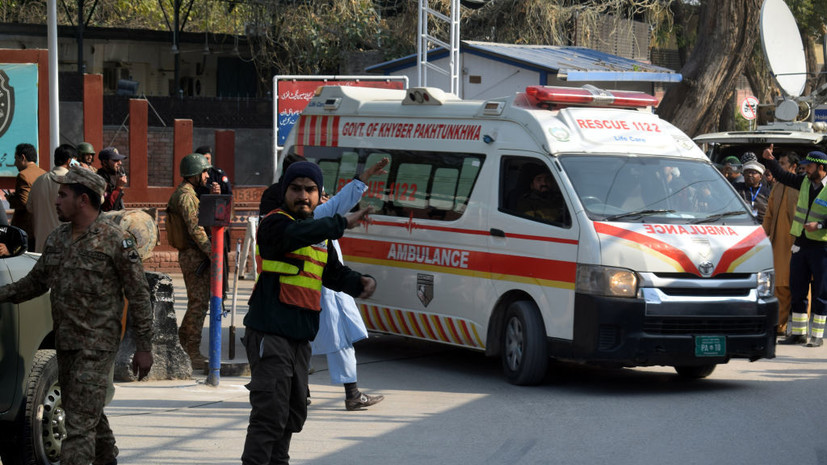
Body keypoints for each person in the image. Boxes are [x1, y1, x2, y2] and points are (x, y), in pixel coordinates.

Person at [0, 165, 153, 465]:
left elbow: (139, 295)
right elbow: (34, 283)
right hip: (66, 343)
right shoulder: (57, 239)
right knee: (88, 415)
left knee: (78, 428)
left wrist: (144, 347)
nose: (57, 200)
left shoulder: (116, 240)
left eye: (63, 194)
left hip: (97, 347)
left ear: (83, 200)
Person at [242, 161, 376, 465]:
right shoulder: (275, 223)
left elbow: (332, 274)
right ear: (285, 191)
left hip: (300, 338)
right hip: (270, 332)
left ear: (319, 195)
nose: (303, 195)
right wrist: (341, 222)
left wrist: (360, 283)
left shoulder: (318, 234)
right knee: (270, 415)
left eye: (310, 189)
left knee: (292, 414)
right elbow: (294, 235)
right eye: (296, 189)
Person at [310, 158, 388, 411]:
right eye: (321, 195)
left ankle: (342, 392)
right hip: (318, 294)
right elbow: (338, 206)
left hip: (328, 292)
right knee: (314, 343)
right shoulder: (313, 217)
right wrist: (364, 177)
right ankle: (348, 394)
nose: (325, 198)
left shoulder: (317, 220)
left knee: (330, 343)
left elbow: (340, 214)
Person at [762, 145, 827, 347]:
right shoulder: (804, 182)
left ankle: (816, 335)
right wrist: (769, 160)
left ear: (821, 168)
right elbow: (783, 176)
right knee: (797, 289)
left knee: (820, 294)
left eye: (809, 167)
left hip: (821, 248)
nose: (805, 170)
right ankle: (798, 333)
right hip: (800, 245)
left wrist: (820, 225)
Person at [166, 153, 212, 368]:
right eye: (203, 171)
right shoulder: (186, 196)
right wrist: (212, 252)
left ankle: (183, 347)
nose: (206, 175)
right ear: (194, 173)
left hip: (193, 254)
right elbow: (196, 228)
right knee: (199, 304)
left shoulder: (188, 193)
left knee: (197, 303)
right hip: (194, 255)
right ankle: (191, 352)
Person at [763, 152, 801, 336]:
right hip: (778, 244)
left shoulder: (802, 186)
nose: (779, 165)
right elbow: (769, 215)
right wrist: (762, 237)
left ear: (794, 167)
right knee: (780, 285)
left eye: (783, 163)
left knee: (799, 286)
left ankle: (800, 330)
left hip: (798, 245)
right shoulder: (776, 187)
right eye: (778, 162)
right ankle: (780, 326)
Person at [27, 144, 75, 252]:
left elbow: (29, 208)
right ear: (69, 161)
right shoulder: (73, 181)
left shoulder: (39, 181)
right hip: (66, 247)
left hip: (41, 246)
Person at [7, 143, 46, 249]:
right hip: (40, 227)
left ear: (23, 157)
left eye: (16, 159)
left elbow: (23, 202)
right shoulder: (43, 173)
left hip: (25, 230)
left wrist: (11, 199)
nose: (15, 163)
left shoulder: (23, 175)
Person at [97, 146, 127, 211]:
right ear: (105, 162)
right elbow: (107, 208)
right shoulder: (99, 180)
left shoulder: (114, 175)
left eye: (119, 160)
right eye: (115, 160)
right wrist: (119, 187)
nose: (120, 163)